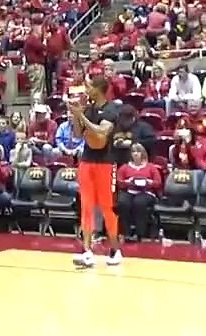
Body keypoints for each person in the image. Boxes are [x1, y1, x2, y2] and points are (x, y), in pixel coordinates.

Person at [69, 76, 123, 267]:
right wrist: (75, 116)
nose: (86, 89)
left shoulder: (111, 110)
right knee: (86, 206)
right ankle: (87, 251)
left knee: (108, 208)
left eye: (89, 86)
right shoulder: (88, 108)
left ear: (99, 89)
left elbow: (101, 133)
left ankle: (115, 250)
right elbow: (77, 135)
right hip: (87, 161)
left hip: (106, 164)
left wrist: (81, 115)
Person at [115, 144, 161, 242]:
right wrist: (128, 182)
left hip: (146, 192)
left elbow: (158, 183)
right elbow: (119, 182)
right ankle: (126, 232)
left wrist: (149, 182)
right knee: (123, 202)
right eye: (133, 152)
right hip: (129, 190)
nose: (135, 154)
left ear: (143, 153)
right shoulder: (124, 167)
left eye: (138, 151)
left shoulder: (151, 167)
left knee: (139, 203)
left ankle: (139, 233)